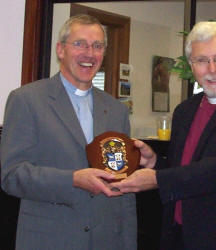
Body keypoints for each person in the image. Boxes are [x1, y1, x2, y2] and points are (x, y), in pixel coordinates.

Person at [112, 21, 216, 249]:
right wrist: (155, 162)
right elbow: (184, 168)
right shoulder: (185, 110)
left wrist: (157, 180)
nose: (212, 69)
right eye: (202, 60)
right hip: (182, 237)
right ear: (192, 66)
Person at [1, 14, 136, 250]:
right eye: (79, 44)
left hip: (106, 241)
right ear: (60, 50)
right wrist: (72, 180)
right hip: (49, 240)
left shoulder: (116, 110)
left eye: (97, 46)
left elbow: (124, 191)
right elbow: (12, 175)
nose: (89, 53)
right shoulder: (26, 100)